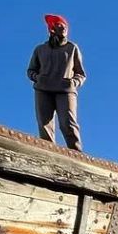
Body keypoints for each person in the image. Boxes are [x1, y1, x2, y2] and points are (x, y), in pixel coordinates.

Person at [27, 14, 86, 150]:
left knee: (68, 123)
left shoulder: (72, 48)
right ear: (52, 29)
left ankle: (76, 153)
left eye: (65, 26)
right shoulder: (40, 49)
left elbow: (80, 74)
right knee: (44, 124)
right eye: (60, 25)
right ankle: (48, 153)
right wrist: (38, 78)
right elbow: (31, 70)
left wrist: (73, 83)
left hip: (65, 90)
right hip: (43, 89)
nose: (63, 28)